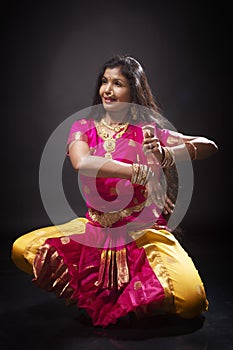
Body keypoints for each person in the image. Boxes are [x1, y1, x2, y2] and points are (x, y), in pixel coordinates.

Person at [11, 54, 218, 327]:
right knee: (21, 249)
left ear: (133, 90)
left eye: (118, 83)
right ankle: (99, 290)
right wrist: (139, 172)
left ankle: (137, 293)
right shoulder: (83, 128)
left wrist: (167, 154)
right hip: (96, 230)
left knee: (191, 302)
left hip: (142, 232)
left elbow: (209, 146)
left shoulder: (147, 130)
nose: (107, 90)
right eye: (105, 82)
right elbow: (82, 162)